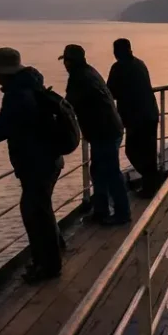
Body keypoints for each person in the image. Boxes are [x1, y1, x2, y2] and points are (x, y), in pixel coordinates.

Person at [0, 48, 65, 283]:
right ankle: (51, 256)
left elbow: (2, 130)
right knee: (41, 212)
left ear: (4, 72)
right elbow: (12, 123)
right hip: (49, 158)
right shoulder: (31, 86)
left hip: (36, 163)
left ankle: (49, 267)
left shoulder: (17, 95)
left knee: (35, 215)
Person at [60, 44, 131, 224]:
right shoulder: (89, 72)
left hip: (104, 131)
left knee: (110, 172)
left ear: (70, 62)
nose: (64, 65)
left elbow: (68, 105)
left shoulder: (79, 78)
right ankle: (102, 211)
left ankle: (122, 214)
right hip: (108, 128)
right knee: (99, 171)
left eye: (66, 61)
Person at [106, 38, 162, 198]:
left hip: (136, 118)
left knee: (132, 151)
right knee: (149, 152)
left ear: (116, 52)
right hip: (150, 114)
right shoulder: (140, 64)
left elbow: (111, 92)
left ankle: (151, 182)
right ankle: (151, 184)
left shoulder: (118, 68)